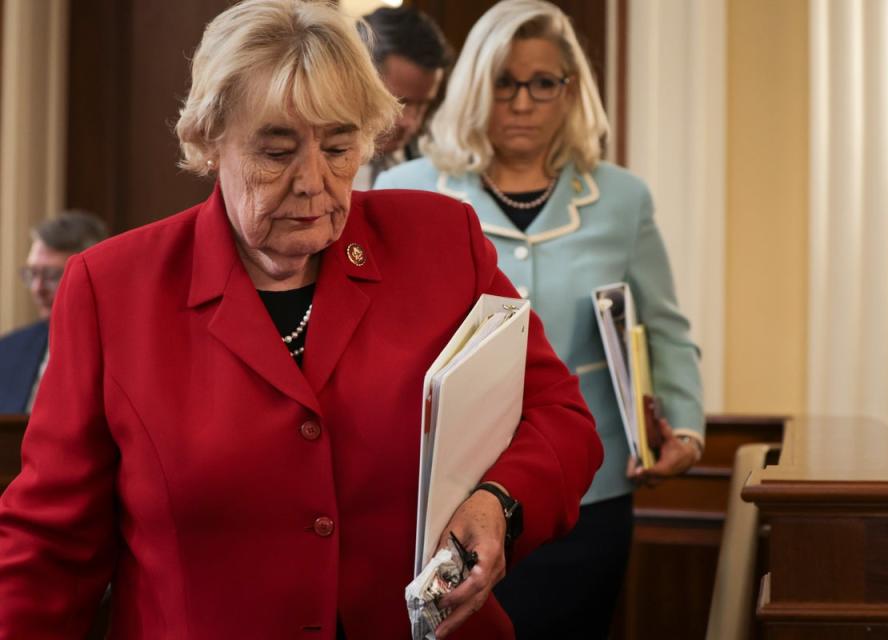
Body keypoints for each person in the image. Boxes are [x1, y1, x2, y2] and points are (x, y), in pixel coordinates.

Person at [0, 1, 602, 638]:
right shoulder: (112, 289)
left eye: (340, 147)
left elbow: (560, 418)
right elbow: (50, 546)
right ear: (208, 141)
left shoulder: (441, 244)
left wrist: (501, 500)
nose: (314, 182)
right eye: (276, 151)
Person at [374, 1, 705, 637]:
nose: (522, 103)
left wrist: (685, 429)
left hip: (590, 491)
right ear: (473, 88)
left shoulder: (621, 199)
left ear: (570, 92)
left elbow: (664, 326)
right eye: (503, 82)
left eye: (542, 83)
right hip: (446, 495)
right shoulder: (406, 192)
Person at [0, 211, 107, 414]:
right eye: (32, 274)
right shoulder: (8, 350)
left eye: (51, 276)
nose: (37, 288)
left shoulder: (122, 350)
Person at [352, 6, 453, 189]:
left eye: (423, 105)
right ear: (354, 80)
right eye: (399, 101)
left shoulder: (437, 167)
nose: (411, 122)